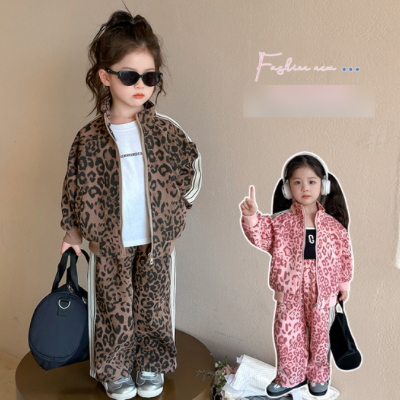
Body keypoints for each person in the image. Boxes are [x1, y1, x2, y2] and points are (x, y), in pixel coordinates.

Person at [60, 8, 202, 400]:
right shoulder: (89, 139)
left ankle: (152, 362)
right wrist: (73, 233)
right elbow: (74, 187)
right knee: (113, 306)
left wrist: (175, 216)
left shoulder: (166, 132)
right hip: (109, 243)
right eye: (129, 76)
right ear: (105, 77)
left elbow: (191, 170)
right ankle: (115, 369)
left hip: (157, 242)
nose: (141, 85)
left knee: (155, 305)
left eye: (150, 77)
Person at [239, 152, 353, 398]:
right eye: (297, 182)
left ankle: (318, 377)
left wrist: (343, 284)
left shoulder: (334, 227)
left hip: (323, 291)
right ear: (287, 188)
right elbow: (261, 236)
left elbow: (344, 255)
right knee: (287, 335)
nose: (305, 188)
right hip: (289, 290)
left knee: (321, 337)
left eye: (311, 181)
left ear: (323, 185)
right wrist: (252, 216)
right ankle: (290, 376)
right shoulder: (280, 223)